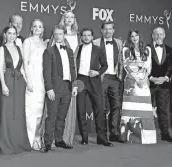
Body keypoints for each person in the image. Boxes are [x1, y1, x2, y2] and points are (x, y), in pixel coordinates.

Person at [40, 25, 78, 153]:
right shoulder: (48, 51)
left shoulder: (69, 51)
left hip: (67, 88)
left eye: (60, 34)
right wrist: (49, 89)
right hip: (55, 88)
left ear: (64, 35)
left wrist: (75, 85)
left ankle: (59, 139)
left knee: (62, 116)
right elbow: (46, 72)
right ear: (53, 35)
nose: (57, 36)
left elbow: (73, 69)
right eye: (55, 34)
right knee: (51, 117)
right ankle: (47, 143)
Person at [0, 26, 31, 154]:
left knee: (18, 113)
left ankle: (18, 142)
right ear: (5, 35)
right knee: (7, 112)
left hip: (19, 82)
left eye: (14, 33)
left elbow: (22, 68)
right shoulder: (2, 49)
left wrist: (27, 82)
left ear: (17, 35)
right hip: (8, 81)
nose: (11, 36)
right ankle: (6, 143)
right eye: (9, 33)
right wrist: (4, 85)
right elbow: (0, 68)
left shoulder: (19, 48)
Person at [76, 28, 112, 146]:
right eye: (84, 35)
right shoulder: (78, 49)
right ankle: (84, 138)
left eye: (89, 35)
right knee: (81, 110)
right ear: (81, 37)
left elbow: (105, 65)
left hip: (94, 81)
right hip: (80, 80)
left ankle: (102, 138)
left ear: (92, 37)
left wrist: (98, 72)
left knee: (99, 110)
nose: (86, 37)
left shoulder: (98, 50)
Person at [119, 29, 155, 144]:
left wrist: (144, 79)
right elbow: (126, 68)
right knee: (131, 108)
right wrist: (136, 80)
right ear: (130, 38)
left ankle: (146, 137)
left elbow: (149, 67)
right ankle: (128, 136)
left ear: (140, 36)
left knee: (144, 109)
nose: (134, 38)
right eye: (132, 36)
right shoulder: (126, 50)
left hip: (144, 83)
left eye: (136, 35)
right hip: (131, 82)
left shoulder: (147, 50)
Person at [92, 21, 125, 143]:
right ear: (101, 30)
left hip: (115, 78)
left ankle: (114, 133)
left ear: (113, 30)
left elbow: (121, 60)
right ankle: (102, 136)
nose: (108, 31)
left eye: (110, 29)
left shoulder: (119, 42)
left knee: (116, 106)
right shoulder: (95, 42)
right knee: (102, 108)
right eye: (105, 29)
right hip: (101, 78)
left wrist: (120, 76)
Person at [23, 19, 47, 150]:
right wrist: (29, 81)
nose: (37, 28)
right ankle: (29, 139)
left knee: (39, 110)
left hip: (42, 80)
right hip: (32, 78)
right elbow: (25, 62)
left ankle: (37, 137)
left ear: (43, 29)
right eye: (35, 26)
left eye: (40, 26)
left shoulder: (44, 44)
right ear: (31, 28)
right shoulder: (27, 42)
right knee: (30, 110)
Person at [148, 27, 172, 142]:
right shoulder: (147, 48)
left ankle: (165, 133)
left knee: (164, 110)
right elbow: (143, 65)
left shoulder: (169, 49)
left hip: (164, 84)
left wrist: (166, 78)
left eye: (161, 34)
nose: (159, 36)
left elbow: (171, 66)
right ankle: (147, 133)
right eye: (156, 34)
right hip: (149, 84)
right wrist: (151, 78)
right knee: (147, 109)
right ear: (152, 35)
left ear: (164, 36)